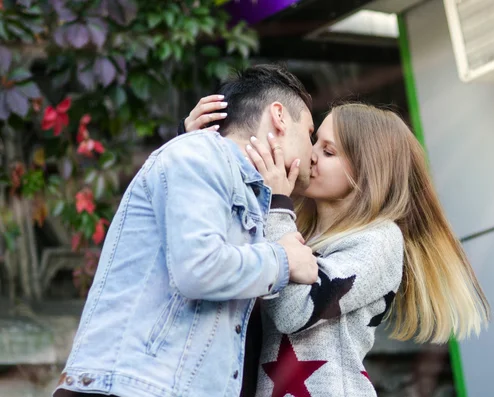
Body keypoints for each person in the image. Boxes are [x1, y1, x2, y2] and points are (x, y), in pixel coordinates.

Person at [183, 98, 491, 396]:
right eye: (314, 141)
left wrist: (278, 209)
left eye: (328, 151)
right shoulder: (290, 228)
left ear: (368, 171)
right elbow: (207, 254)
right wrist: (201, 149)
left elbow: (294, 312)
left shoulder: (379, 240)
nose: (311, 155)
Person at [53, 64, 320, 397]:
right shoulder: (199, 153)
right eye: (310, 133)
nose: (313, 154)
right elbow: (198, 266)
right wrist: (284, 259)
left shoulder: (237, 185)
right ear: (279, 116)